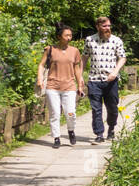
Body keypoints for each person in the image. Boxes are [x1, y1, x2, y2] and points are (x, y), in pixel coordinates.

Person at [36, 23, 85, 148]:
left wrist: (80, 84)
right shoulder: (50, 50)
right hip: (52, 86)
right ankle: (56, 137)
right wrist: (39, 79)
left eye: (70, 35)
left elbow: (77, 68)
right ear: (59, 36)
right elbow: (41, 65)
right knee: (55, 113)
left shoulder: (75, 51)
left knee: (71, 113)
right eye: (66, 35)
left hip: (69, 86)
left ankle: (71, 130)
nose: (69, 38)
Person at [84, 15, 127, 143]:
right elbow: (84, 58)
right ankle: (99, 134)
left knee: (112, 108)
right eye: (104, 26)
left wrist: (115, 72)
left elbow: (122, 58)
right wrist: (80, 76)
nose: (107, 28)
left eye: (109, 26)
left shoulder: (116, 40)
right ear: (97, 27)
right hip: (94, 80)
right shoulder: (89, 40)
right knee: (96, 109)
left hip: (111, 80)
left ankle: (111, 129)